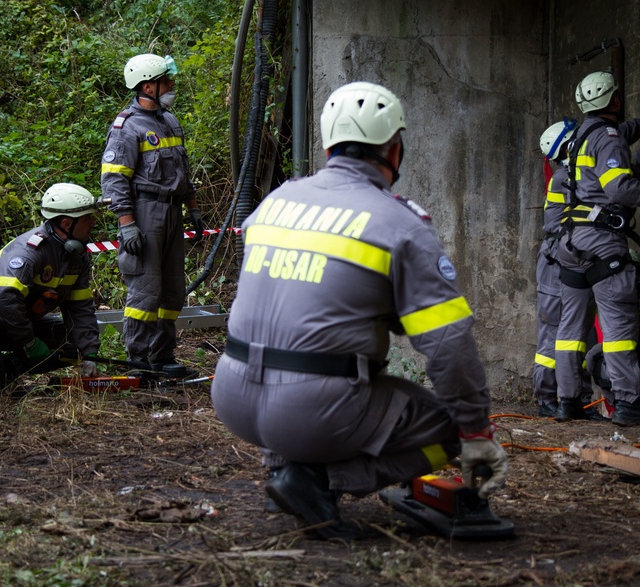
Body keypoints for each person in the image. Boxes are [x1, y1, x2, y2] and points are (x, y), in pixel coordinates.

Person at [210, 81, 508, 539]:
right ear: (395, 149)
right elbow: (448, 346)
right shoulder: (399, 224)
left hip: (232, 396)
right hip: (310, 409)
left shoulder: (276, 201)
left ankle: (282, 471)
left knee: (311, 365)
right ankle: (315, 482)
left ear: (329, 144)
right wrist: (476, 433)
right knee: (455, 427)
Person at [549, 71, 640, 424]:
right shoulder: (608, 139)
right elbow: (619, 190)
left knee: (570, 331)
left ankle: (567, 401)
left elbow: (614, 136)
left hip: (571, 244)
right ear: (613, 100)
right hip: (602, 244)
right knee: (618, 328)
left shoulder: (582, 135)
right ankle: (629, 403)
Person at [100, 53, 206, 373]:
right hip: (145, 213)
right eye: (166, 80)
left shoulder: (169, 120)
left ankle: (162, 358)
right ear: (148, 86)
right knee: (146, 291)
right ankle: (138, 360)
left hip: (173, 213)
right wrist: (127, 223)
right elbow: (114, 178)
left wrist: (194, 210)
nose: (172, 85)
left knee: (172, 291)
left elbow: (182, 172)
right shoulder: (126, 127)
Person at [0, 183, 102, 395]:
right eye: (88, 218)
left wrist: (89, 354)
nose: (93, 222)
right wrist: (29, 342)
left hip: (22, 322)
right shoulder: (28, 252)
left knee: (75, 342)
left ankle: (6, 370)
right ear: (67, 223)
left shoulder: (77, 256)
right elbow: (4, 300)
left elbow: (80, 307)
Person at [533, 118, 598, 417]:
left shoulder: (569, 174)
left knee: (578, 333)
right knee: (553, 330)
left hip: (565, 256)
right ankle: (547, 396)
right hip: (555, 261)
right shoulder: (564, 177)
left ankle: (576, 397)